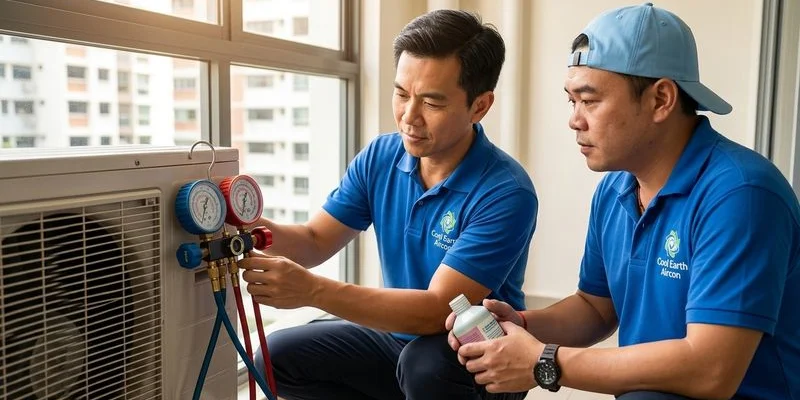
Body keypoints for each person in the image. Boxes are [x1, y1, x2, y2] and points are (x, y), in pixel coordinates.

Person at [447, 3, 800, 400]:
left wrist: (543, 362)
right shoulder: (616, 188)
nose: (574, 120)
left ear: (661, 99)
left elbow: (711, 370)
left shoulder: (742, 195)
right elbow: (596, 308)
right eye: (571, 101)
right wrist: (525, 326)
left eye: (590, 100)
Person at [238, 9, 538, 400]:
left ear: (479, 106)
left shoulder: (506, 191)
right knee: (274, 360)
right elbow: (314, 240)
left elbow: (435, 309)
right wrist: (246, 225)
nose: (408, 117)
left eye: (431, 102)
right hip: (393, 339)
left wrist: (314, 291)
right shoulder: (382, 156)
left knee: (424, 367)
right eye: (401, 94)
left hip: (474, 353)